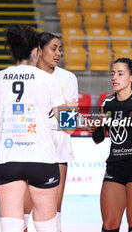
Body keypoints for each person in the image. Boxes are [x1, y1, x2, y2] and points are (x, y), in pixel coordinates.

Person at [0, 24, 76, 232]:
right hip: (42, 160)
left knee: (12, 226)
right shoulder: (48, 79)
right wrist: (70, 109)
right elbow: (69, 128)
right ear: (35, 51)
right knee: (47, 226)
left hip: (7, 159)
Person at [90, 58, 132, 232]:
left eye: (120, 74)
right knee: (109, 224)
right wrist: (96, 127)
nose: (114, 77)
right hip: (114, 167)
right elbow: (98, 138)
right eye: (112, 74)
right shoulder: (107, 103)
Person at [22, 32, 79, 232]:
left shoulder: (68, 78)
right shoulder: (25, 76)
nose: (58, 53)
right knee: (23, 211)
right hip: (28, 149)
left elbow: (69, 125)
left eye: (60, 49)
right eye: (54, 48)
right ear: (39, 49)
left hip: (58, 149)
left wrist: (70, 112)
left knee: (54, 210)